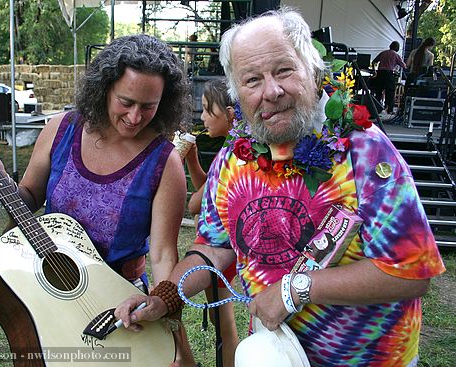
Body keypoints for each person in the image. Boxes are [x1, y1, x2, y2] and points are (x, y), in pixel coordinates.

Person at [115, 8, 445, 367]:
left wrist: (294, 290)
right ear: (237, 94)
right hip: (272, 354)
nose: (271, 91)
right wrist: (164, 298)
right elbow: (213, 247)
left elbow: (411, 274)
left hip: (371, 359)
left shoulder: (365, 151)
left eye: (284, 70)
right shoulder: (232, 159)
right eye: (252, 80)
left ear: (314, 70)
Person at [0, 34, 195, 366]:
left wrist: (171, 329)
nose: (134, 116)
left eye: (148, 106)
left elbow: (162, 255)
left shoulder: (164, 161)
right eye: (125, 101)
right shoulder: (62, 129)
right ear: (104, 89)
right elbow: (27, 197)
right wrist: (0, 178)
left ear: (165, 101)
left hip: (117, 302)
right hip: (50, 287)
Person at [184, 78, 239, 367]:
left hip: (218, 249)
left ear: (231, 114)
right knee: (222, 319)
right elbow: (207, 187)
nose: (202, 117)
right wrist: (192, 160)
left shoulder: (232, 153)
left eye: (208, 110)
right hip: (222, 245)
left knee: (224, 323)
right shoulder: (233, 149)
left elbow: (195, 203)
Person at [371, 41, 406, 115]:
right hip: (389, 73)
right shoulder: (396, 55)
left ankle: (376, 109)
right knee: (390, 91)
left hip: (380, 73)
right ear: (397, 48)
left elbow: (374, 61)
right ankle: (389, 109)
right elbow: (404, 66)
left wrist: (374, 71)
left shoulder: (383, 53)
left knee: (378, 92)